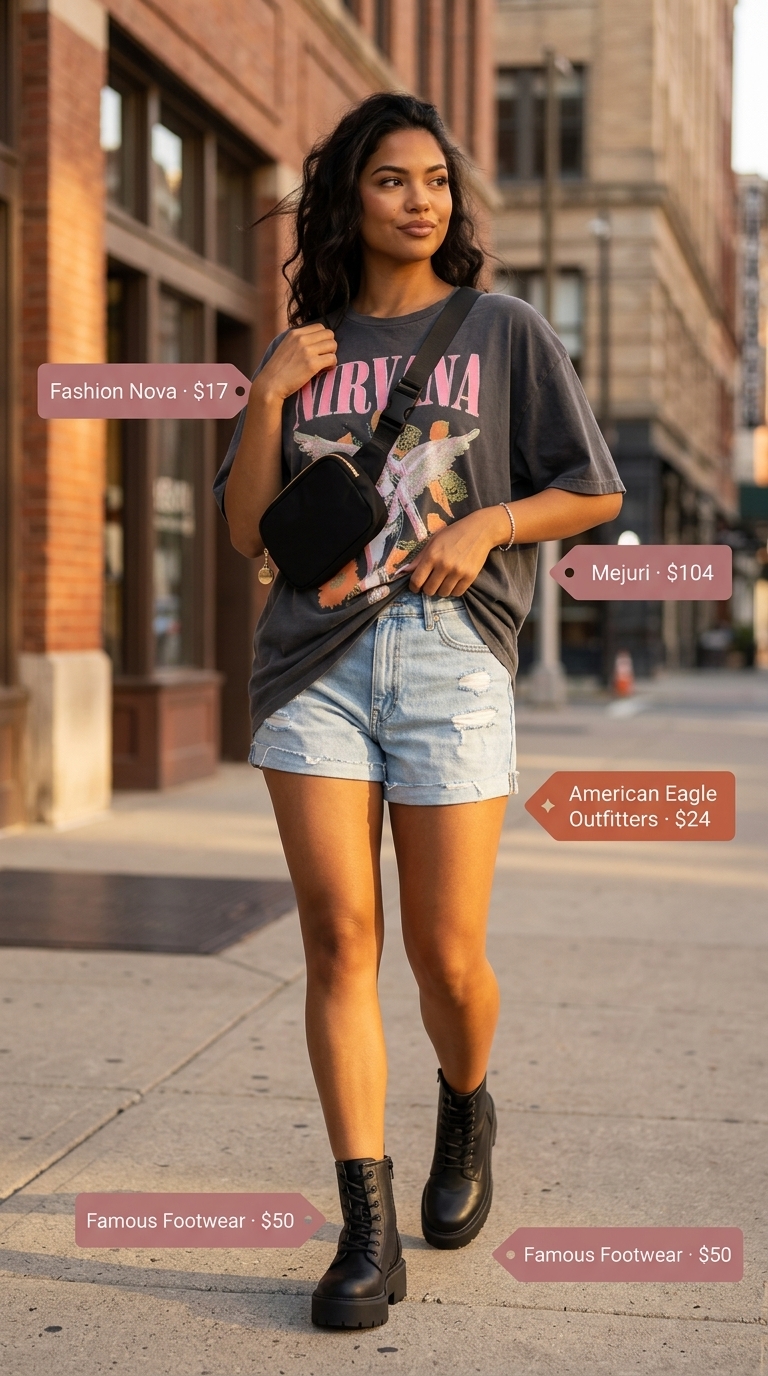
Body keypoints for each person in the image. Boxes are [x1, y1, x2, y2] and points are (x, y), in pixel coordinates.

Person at [214, 92, 624, 1330]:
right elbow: (251, 539)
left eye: (436, 181)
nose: (421, 200)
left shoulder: (502, 329)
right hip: (312, 669)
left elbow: (591, 490)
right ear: (349, 196)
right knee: (342, 940)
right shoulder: (308, 344)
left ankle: (467, 1095)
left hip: (450, 661)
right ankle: (364, 1230)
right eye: (393, 180)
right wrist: (267, 394)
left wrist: (491, 521)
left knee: (446, 957)